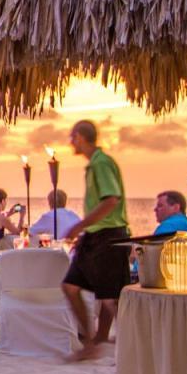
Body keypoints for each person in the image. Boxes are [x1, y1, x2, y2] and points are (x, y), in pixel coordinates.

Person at [62, 120, 131, 361]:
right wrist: (85, 231)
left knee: (113, 296)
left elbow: (111, 200)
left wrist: (79, 225)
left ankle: (112, 340)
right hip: (96, 234)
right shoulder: (95, 164)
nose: (71, 142)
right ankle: (94, 342)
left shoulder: (101, 163)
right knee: (71, 286)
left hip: (110, 234)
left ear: (81, 136)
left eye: (72, 136)